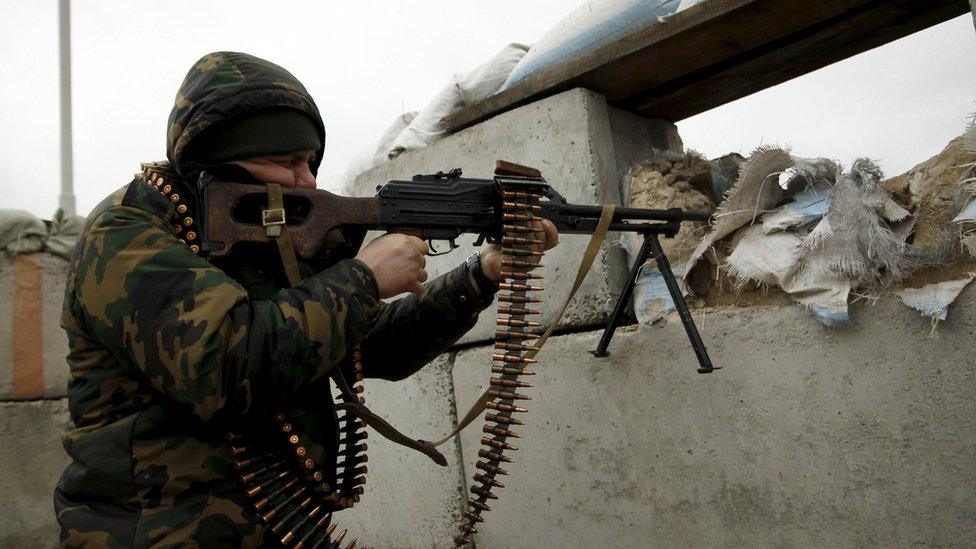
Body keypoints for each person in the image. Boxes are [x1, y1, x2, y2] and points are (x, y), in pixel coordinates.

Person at [54, 51, 557, 547]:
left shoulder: (262, 238)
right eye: (284, 162)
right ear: (214, 160)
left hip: (283, 523)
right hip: (157, 531)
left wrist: (481, 276)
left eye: (309, 162)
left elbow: (370, 346)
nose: (307, 181)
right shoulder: (127, 233)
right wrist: (364, 277)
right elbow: (228, 366)